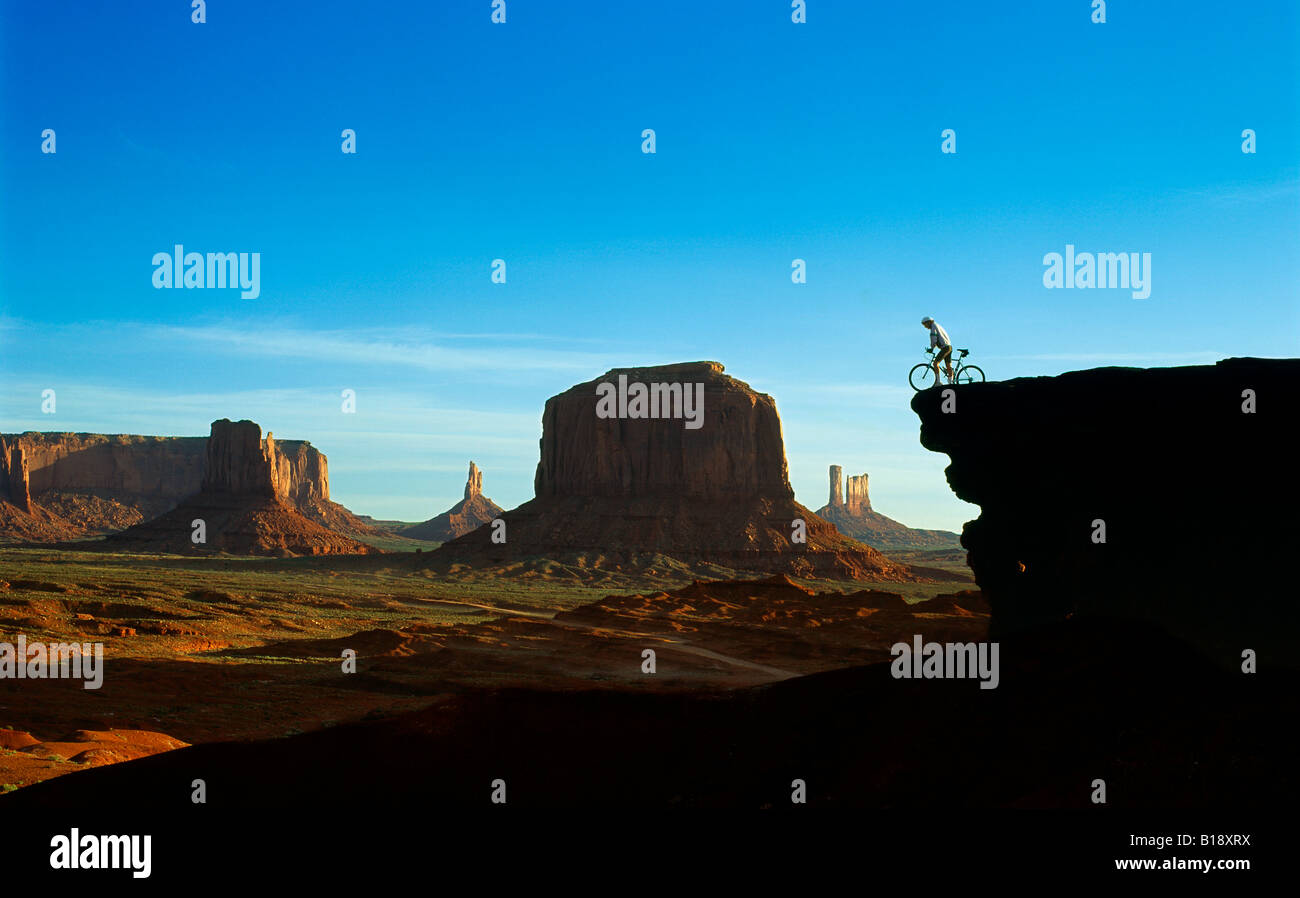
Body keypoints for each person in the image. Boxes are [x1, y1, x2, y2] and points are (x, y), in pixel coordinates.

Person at [921, 316, 954, 384]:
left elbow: (934, 338)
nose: (925, 327)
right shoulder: (937, 325)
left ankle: (938, 382)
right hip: (949, 347)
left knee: (935, 363)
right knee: (948, 366)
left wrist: (932, 348)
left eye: (925, 324)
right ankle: (951, 382)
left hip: (945, 348)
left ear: (929, 322)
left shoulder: (933, 327)